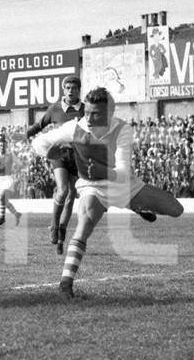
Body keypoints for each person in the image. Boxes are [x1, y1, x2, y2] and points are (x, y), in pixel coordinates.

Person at [31, 87, 183, 300]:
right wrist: (49, 152)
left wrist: (105, 171)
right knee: (85, 224)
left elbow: (122, 172)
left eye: (95, 114)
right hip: (92, 187)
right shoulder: (74, 128)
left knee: (176, 209)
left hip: (123, 184)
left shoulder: (122, 130)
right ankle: (65, 283)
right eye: (87, 112)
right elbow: (38, 142)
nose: (89, 118)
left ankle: (136, 205)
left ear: (109, 113)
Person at [26, 74, 85, 254]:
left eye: (74, 88)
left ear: (78, 91)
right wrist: (24, 135)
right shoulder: (55, 109)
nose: (70, 91)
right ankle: (53, 224)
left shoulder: (85, 110)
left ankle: (61, 237)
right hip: (59, 154)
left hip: (78, 156)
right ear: (63, 90)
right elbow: (39, 126)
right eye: (67, 88)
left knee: (70, 197)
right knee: (63, 190)